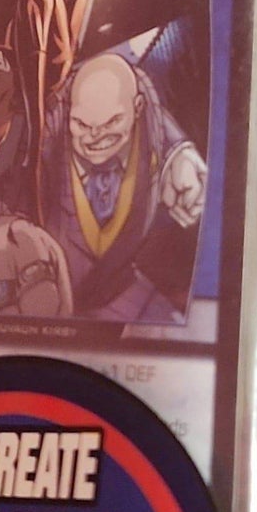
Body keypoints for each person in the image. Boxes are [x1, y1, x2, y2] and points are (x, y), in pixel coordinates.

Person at [37, 50, 207, 323]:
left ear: (137, 109)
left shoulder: (150, 128)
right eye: (81, 124)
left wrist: (178, 154)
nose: (95, 137)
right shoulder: (48, 138)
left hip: (118, 291)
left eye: (112, 122)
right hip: (46, 301)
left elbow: (154, 114)